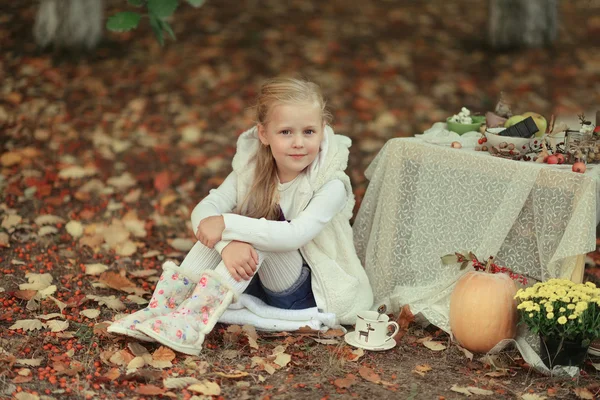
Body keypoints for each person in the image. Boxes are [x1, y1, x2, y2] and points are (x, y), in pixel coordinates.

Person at [108, 77, 373, 355]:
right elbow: (205, 210)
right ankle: (160, 311)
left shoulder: (331, 184)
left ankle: (191, 323)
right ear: (263, 134)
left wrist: (227, 224)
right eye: (285, 132)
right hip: (266, 281)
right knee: (223, 237)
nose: (298, 143)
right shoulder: (252, 170)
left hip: (312, 293)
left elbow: (293, 236)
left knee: (261, 234)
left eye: (309, 132)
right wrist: (226, 243)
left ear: (323, 131)